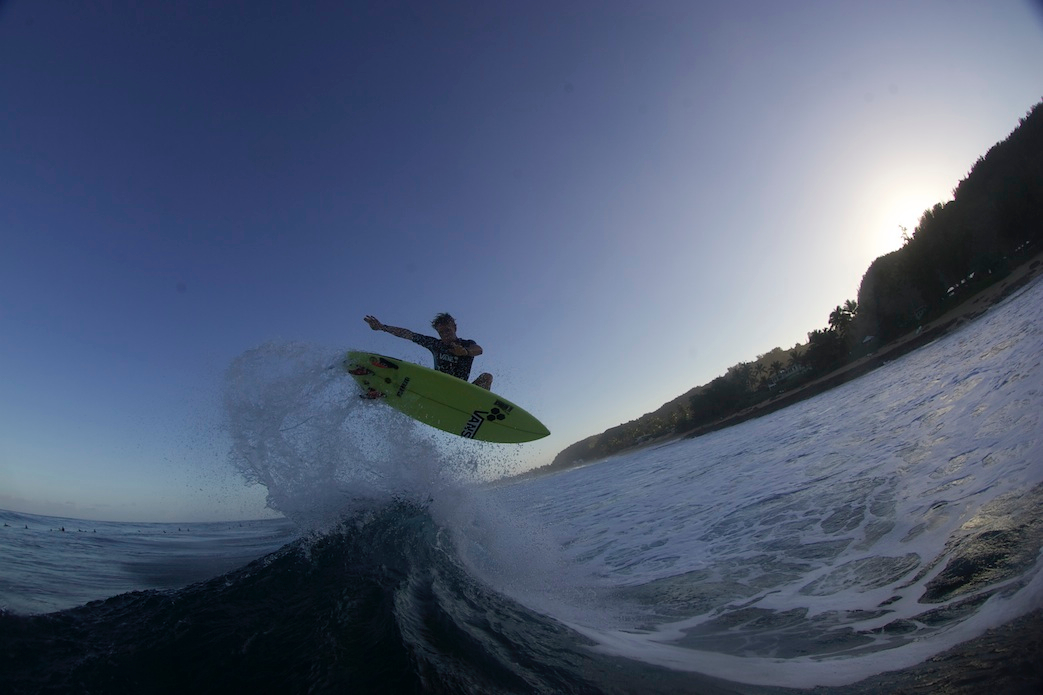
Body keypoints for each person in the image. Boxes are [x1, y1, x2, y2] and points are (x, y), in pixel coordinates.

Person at [364, 313, 493, 390]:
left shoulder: (466, 344)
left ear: (455, 328)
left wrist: (465, 352)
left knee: (486, 377)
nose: (445, 335)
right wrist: (382, 327)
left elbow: (479, 350)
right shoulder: (436, 344)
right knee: (412, 370)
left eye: (447, 330)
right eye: (441, 332)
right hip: (436, 387)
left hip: (460, 389)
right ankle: (381, 389)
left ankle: (479, 408)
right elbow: (408, 334)